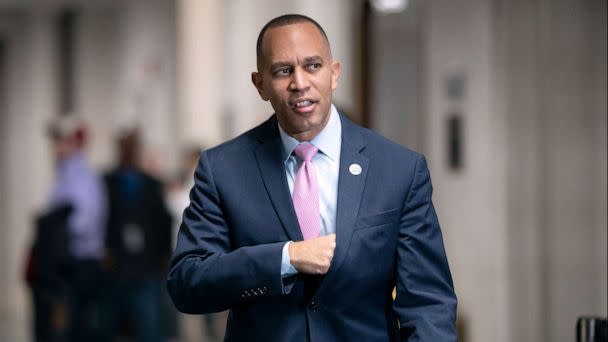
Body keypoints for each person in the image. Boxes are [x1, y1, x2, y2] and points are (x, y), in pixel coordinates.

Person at [167, 14, 457, 341]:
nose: (300, 82)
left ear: (334, 74)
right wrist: (285, 258)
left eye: (313, 66)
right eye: (282, 70)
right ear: (260, 84)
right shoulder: (222, 169)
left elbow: (429, 303)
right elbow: (187, 283)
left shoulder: (398, 169)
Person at [29, 115, 107, 341]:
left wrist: (51, 225)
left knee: (75, 329)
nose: (55, 147)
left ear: (75, 143)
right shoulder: (66, 174)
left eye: (61, 140)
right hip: (68, 264)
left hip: (78, 265)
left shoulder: (81, 176)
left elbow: (84, 221)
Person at [101, 129, 172, 342]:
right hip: (116, 266)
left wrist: (164, 255)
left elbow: (163, 221)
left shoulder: (152, 184)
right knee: (109, 325)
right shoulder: (107, 182)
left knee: (148, 325)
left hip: (146, 266)